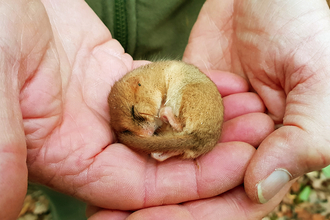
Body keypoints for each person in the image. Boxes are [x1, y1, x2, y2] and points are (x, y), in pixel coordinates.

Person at [0, 0, 329, 220]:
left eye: (139, 120)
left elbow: (165, 98)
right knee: (87, 191)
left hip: (201, 33)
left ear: (139, 88)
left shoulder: (153, 82)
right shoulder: (136, 96)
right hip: (68, 41)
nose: (145, 130)